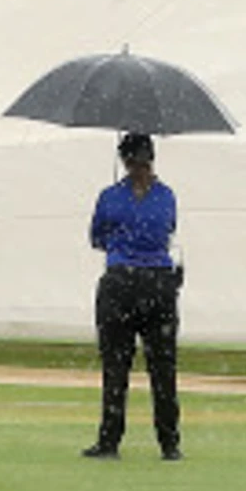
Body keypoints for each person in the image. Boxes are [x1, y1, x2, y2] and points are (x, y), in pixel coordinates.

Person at [84, 128, 181, 461]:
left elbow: (96, 238)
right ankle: (169, 442)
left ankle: (110, 439)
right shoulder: (166, 196)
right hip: (159, 283)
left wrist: (119, 238)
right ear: (151, 159)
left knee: (116, 366)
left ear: (124, 161)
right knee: (163, 368)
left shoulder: (110, 197)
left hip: (120, 283)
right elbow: (168, 230)